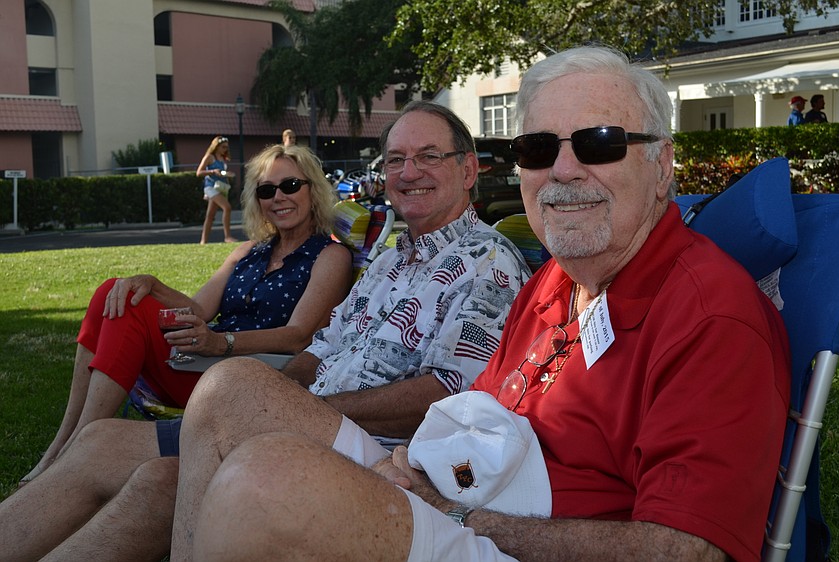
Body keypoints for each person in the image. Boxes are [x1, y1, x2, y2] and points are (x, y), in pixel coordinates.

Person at [171, 46, 791, 562]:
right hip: (461, 480)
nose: (564, 171)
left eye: (600, 143)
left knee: (264, 483)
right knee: (233, 392)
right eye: (538, 149)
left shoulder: (710, 318)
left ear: (662, 165)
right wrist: (406, 467)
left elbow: (685, 549)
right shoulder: (555, 281)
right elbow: (475, 408)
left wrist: (464, 516)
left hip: (515, 536)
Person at [0, 100, 530, 561]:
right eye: (396, 159)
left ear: (467, 170)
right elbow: (319, 349)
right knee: (128, 460)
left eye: (429, 156)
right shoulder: (391, 262)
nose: (409, 171)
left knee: (230, 387)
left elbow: (450, 392)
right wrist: (282, 397)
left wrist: (296, 409)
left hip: (383, 452)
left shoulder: (489, 263)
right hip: (315, 419)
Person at [16, 143, 352, 487]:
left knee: (126, 306)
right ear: (258, 200)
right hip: (202, 362)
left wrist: (221, 343)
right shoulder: (249, 251)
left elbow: (298, 335)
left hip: (250, 381)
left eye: (291, 186)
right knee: (114, 291)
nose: (279, 197)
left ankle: (71, 454)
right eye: (267, 190)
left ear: (313, 189)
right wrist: (152, 284)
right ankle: (63, 444)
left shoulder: (330, 256)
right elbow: (199, 310)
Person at [197, 135, 238, 244]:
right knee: (227, 207)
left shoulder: (223, 159)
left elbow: (221, 173)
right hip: (210, 187)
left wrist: (227, 174)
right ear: (217, 146)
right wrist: (212, 171)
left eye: (226, 147)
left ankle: (203, 241)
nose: (225, 149)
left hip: (220, 187)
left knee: (210, 215)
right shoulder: (209, 157)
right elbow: (199, 172)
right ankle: (227, 237)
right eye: (223, 147)